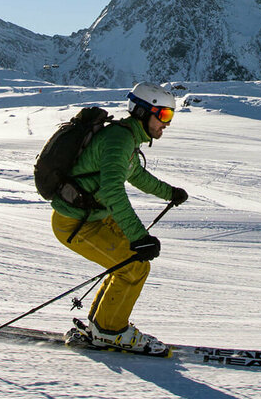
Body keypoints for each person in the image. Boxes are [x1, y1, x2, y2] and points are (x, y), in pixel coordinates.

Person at [50, 81, 188, 354]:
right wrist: (139, 237)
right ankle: (110, 331)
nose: (166, 124)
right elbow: (112, 189)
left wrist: (169, 192)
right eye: (163, 115)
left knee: (131, 265)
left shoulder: (126, 136)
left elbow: (135, 174)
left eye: (170, 116)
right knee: (133, 266)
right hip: (75, 223)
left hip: (92, 216)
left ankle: (101, 326)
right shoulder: (119, 139)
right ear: (143, 112)